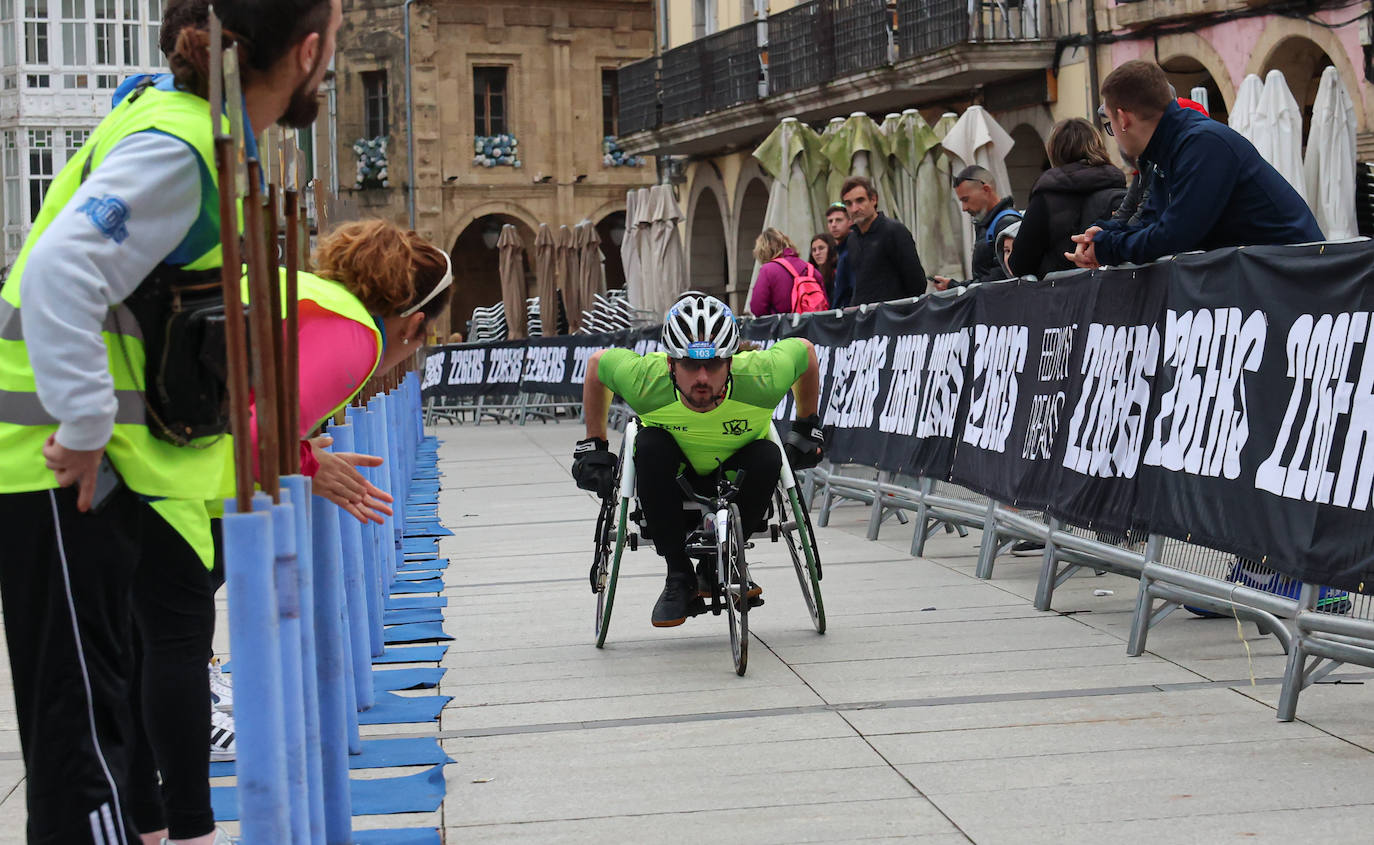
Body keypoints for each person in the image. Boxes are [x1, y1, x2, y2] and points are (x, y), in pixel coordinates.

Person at [0, 0, 343, 842]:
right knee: (86, 753)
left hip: (87, 470)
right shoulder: (184, 145)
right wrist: (82, 426)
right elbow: (58, 273)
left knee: (96, 733)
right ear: (305, 52)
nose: (332, 58)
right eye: (335, 37)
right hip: (52, 461)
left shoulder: (187, 125)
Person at [571, 294, 825, 627]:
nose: (702, 378)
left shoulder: (763, 377)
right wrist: (596, 444)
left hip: (738, 472)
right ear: (670, 364)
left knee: (769, 455)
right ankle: (679, 576)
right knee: (648, 444)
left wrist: (807, 426)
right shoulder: (645, 381)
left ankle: (723, 562)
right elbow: (597, 366)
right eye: (690, 365)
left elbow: (805, 352)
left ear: (732, 362)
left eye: (714, 364)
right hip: (672, 476)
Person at [1067, 60, 1322, 269]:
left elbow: (1175, 236)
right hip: (1269, 275)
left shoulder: (1202, 143)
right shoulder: (1171, 147)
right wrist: (1100, 233)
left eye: (1110, 123)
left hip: (1297, 278)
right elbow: (1151, 222)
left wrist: (1107, 246)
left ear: (1123, 118)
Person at [1008, 118, 1125, 278]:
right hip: (1115, 291)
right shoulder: (1119, 189)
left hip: (1060, 295)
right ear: (1098, 146)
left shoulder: (1046, 197)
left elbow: (1020, 264)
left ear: (1054, 152)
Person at [840, 176, 926, 305]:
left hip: (894, 318)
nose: (854, 209)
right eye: (848, 203)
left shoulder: (894, 231)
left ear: (873, 199)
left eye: (860, 200)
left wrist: (900, 314)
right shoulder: (852, 239)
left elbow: (917, 282)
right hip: (865, 319)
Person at [932, 166, 1020, 289]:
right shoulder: (987, 224)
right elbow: (987, 278)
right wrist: (954, 286)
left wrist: (959, 287)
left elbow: (1002, 278)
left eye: (966, 199)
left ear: (986, 189)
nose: (964, 208)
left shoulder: (1007, 223)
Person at [748, 228, 824, 317]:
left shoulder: (768, 270)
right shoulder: (811, 269)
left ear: (763, 251)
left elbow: (757, 308)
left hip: (783, 328)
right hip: (813, 327)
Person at [824, 202, 855, 308]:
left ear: (850, 221)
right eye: (830, 221)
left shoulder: (854, 249)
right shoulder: (840, 252)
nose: (833, 225)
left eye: (839, 220)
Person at [809, 232, 839, 302]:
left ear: (830, 248)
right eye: (814, 250)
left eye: (821, 248)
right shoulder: (811, 275)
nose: (817, 253)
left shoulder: (837, 271)